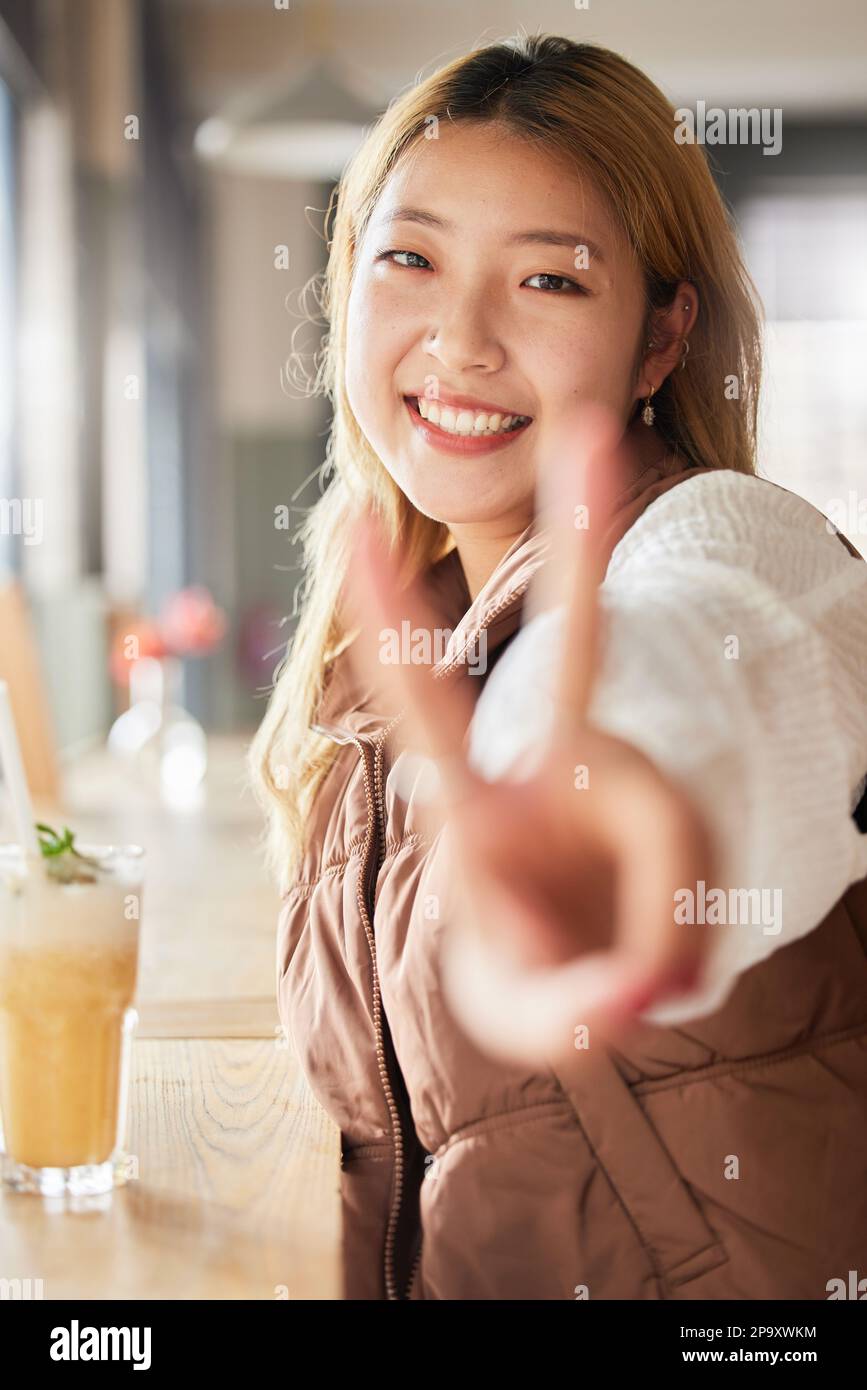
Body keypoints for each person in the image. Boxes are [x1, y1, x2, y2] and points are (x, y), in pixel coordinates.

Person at [248, 34, 867, 1300]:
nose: (461, 340)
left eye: (551, 282)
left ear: (658, 343)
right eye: (411, 259)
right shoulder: (393, 647)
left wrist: (611, 787)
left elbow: (707, 659)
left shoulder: (734, 541)